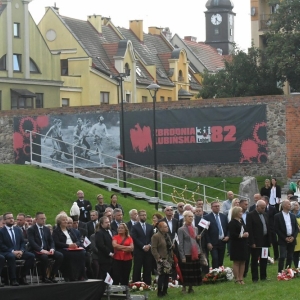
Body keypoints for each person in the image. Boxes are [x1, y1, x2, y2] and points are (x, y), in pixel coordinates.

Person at [27, 212, 63, 283]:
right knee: (44, 257)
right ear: (36, 219)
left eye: (44, 218)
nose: (43, 220)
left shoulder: (46, 229)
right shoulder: (31, 229)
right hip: (35, 250)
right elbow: (32, 242)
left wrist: (52, 248)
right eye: (41, 219)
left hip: (47, 249)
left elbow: (51, 241)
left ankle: (52, 275)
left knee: (60, 255)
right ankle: (44, 276)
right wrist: (41, 250)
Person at [0, 212, 35, 286]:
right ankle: (13, 279)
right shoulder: (1, 231)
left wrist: (21, 251)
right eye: (9, 218)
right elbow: (1, 245)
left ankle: (22, 276)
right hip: (7, 252)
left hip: (19, 251)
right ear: (4, 220)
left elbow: (22, 242)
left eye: (12, 218)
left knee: (31, 256)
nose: (11, 220)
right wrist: (13, 251)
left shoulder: (18, 230)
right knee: (11, 256)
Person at [52, 213, 86, 281]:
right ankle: (70, 276)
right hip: (63, 249)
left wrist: (76, 244)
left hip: (73, 248)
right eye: (63, 220)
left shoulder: (70, 230)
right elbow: (57, 243)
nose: (65, 221)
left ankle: (80, 275)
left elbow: (77, 240)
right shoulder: (56, 232)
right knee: (70, 255)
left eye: (66, 220)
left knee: (82, 253)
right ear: (59, 222)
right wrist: (68, 246)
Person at [178, 211, 203, 294]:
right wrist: (182, 256)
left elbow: (195, 241)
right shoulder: (181, 229)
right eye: (189, 216)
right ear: (185, 218)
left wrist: (198, 238)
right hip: (187, 253)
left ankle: (191, 287)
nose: (191, 218)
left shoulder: (195, 228)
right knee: (186, 272)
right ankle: (184, 287)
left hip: (195, 252)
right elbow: (180, 244)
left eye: (192, 216)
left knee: (193, 271)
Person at [246, 200, 271, 282]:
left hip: (265, 241)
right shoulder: (250, 215)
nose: (263, 209)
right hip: (256, 242)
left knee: (264, 259)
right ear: (257, 207)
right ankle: (255, 278)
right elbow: (249, 229)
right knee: (254, 260)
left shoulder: (265, 215)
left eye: (264, 208)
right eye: (262, 208)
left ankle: (263, 276)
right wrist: (252, 242)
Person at [274, 200, 299, 273]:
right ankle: (280, 272)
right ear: (284, 206)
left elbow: (296, 228)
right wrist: (285, 238)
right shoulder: (277, 216)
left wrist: (293, 237)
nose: (290, 205)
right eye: (288, 204)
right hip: (283, 239)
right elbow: (276, 229)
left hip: (292, 238)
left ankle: (288, 271)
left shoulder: (292, 216)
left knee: (290, 256)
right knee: (282, 256)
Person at [204, 201, 229, 268]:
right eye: (215, 206)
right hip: (213, 242)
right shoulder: (206, 217)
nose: (217, 207)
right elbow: (204, 232)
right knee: (215, 258)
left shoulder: (223, 216)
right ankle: (215, 272)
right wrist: (208, 242)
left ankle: (220, 272)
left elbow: (227, 228)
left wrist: (227, 236)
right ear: (211, 208)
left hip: (222, 241)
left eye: (218, 206)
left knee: (221, 259)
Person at [151, 221, 174, 297]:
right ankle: (159, 292)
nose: (167, 228)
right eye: (165, 227)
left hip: (168, 258)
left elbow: (169, 246)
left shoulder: (167, 236)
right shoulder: (156, 236)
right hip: (161, 259)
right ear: (160, 228)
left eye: (167, 226)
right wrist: (158, 257)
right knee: (162, 275)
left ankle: (165, 290)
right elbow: (153, 248)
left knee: (167, 275)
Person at [131, 210, 153, 285]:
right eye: (142, 215)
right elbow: (134, 238)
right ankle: (136, 283)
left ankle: (147, 283)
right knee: (137, 267)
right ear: (139, 216)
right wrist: (143, 246)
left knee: (147, 267)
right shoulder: (135, 227)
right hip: (139, 251)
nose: (144, 216)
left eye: (145, 215)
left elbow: (152, 237)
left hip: (148, 251)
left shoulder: (150, 227)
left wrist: (149, 245)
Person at [228, 207, 249, 284]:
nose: (242, 213)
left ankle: (241, 278)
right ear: (236, 213)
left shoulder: (241, 221)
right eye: (240, 212)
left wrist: (247, 234)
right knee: (237, 262)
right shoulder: (232, 223)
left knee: (243, 261)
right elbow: (233, 234)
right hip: (236, 244)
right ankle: (237, 278)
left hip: (243, 243)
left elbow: (245, 229)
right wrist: (242, 236)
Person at [95, 216, 114, 281]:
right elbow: (101, 245)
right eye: (106, 222)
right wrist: (109, 253)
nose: (108, 224)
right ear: (101, 224)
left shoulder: (111, 231)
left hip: (112, 258)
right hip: (104, 258)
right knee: (104, 275)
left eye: (108, 222)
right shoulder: (99, 233)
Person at [263, 195, 279, 260]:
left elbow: (276, 218)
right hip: (265, 229)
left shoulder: (272, 208)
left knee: (274, 243)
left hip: (272, 228)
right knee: (265, 243)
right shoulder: (262, 209)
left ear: (266, 201)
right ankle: (267, 256)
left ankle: (276, 256)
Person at [291, 201, 300, 267]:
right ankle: (296, 266)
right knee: (295, 252)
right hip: (295, 235)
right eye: (296, 205)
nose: (298, 206)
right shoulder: (290, 215)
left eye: (298, 205)